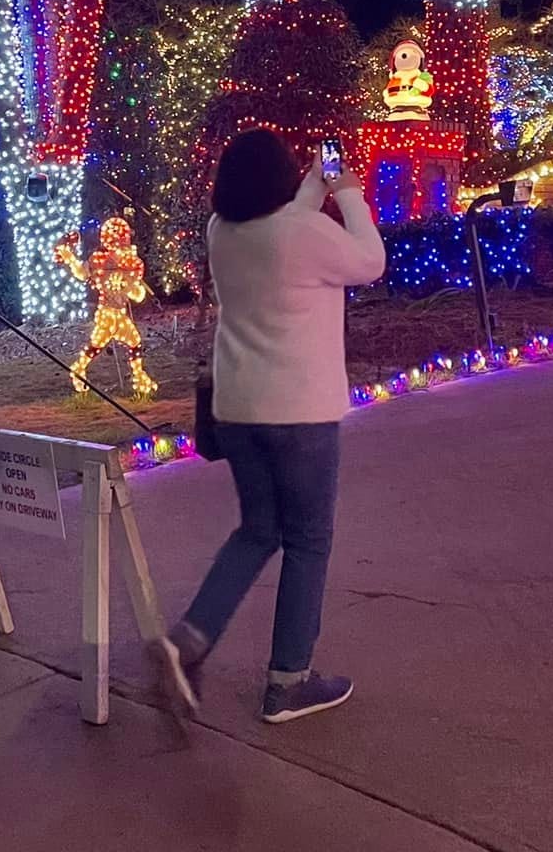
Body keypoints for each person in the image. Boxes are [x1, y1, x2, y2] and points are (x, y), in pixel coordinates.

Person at [151, 128, 385, 724]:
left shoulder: (222, 233)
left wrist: (315, 180)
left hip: (238, 412)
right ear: (277, 178)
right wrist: (348, 191)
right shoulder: (302, 234)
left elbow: (288, 233)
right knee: (308, 540)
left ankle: (187, 642)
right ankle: (288, 682)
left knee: (257, 532)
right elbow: (370, 261)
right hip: (300, 415)